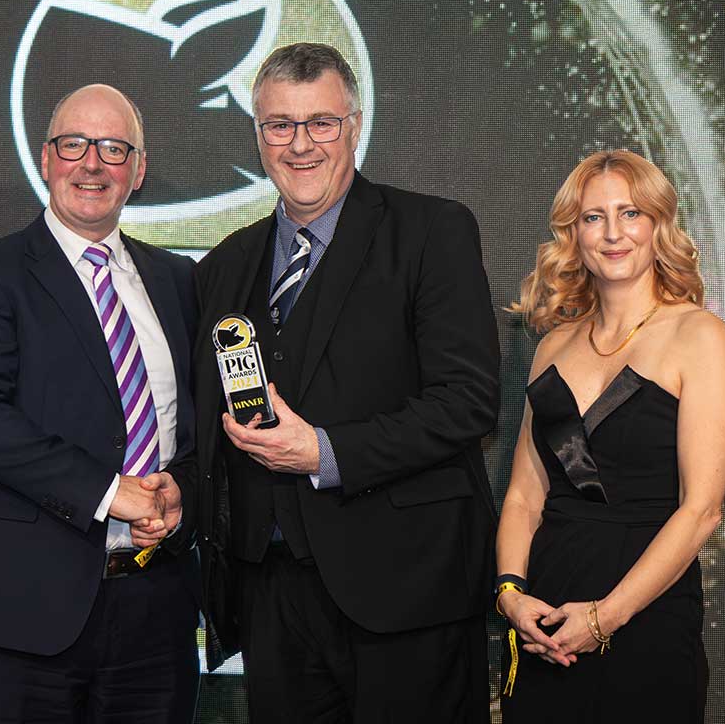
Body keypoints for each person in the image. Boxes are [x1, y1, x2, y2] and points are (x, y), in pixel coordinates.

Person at [179, 42, 500, 722]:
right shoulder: (223, 267)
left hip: (409, 595)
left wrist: (325, 452)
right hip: (272, 600)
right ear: (258, 134)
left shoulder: (431, 232)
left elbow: (468, 402)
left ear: (355, 125)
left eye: (321, 123)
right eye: (280, 125)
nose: (301, 145)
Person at [0, 84, 200, 723]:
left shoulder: (181, 281)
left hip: (156, 613)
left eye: (114, 149)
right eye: (74, 144)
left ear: (139, 171)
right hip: (22, 615)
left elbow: (194, 429)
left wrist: (178, 491)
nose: (92, 164)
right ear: (47, 159)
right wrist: (111, 492)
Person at [496, 149, 725, 721]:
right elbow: (523, 496)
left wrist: (604, 618)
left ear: (658, 225)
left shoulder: (699, 336)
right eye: (593, 217)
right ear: (573, 234)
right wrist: (512, 596)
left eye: (630, 213)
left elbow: (702, 511)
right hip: (547, 620)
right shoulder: (552, 346)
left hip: (646, 618)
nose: (613, 233)